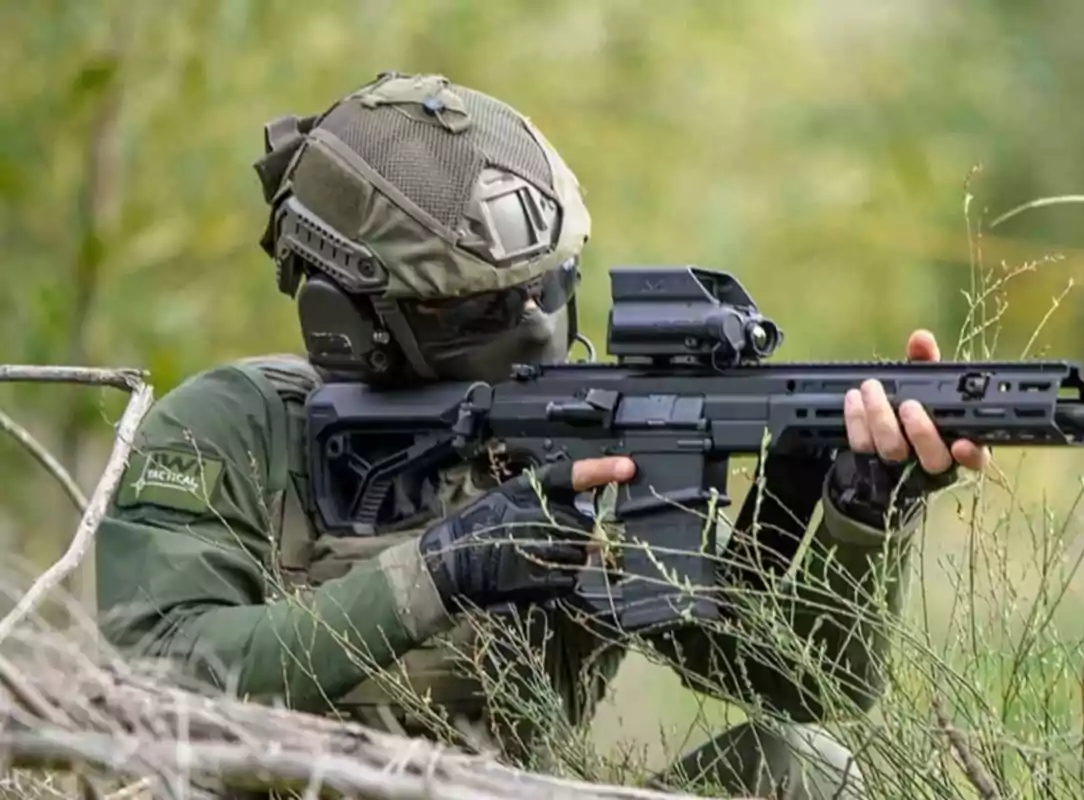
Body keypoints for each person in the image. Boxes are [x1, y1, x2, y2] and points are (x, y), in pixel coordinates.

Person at [95, 71, 989, 800]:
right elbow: (161, 680)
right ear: (347, 316)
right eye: (480, 308)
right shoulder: (232, 431)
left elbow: (804, 687)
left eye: (552, 286)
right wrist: (442, 569)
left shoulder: (582, 435)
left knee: (807, 770)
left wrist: (860, 514)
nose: (531, 322)